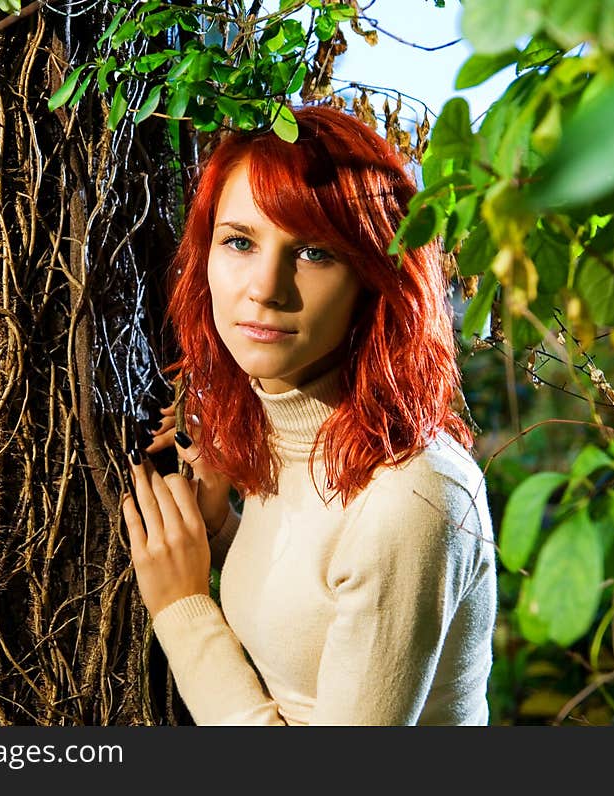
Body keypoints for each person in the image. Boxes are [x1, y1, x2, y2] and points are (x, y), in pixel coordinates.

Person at [121, 104, 497, 726]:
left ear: (373, 280)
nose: (266, 287)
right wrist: (219, 535)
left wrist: (183, 611)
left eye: (314, 254)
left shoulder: (414, 494)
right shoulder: (287, 434)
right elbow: (315, 623)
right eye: (239, 241)